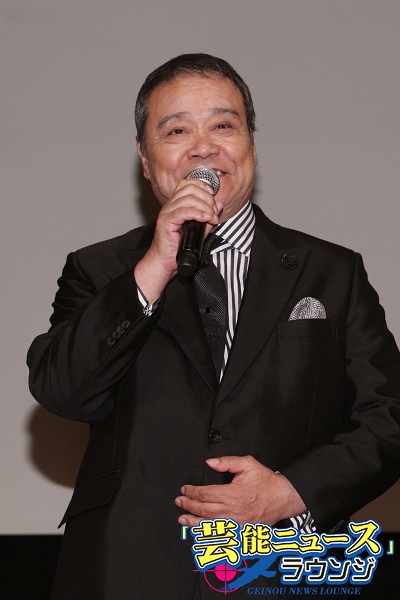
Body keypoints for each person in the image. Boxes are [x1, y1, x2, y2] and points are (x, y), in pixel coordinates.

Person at [27, 54, 400, 600]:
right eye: (177, 130)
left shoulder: (331, 272)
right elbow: (61, 390)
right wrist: (155, 266)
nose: (203, 148)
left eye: (223, 125)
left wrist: (292, 492)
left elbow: (389, 418)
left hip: (282, 565)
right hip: (128, 568)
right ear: (146, 159)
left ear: (251, 145)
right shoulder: (99, 270)